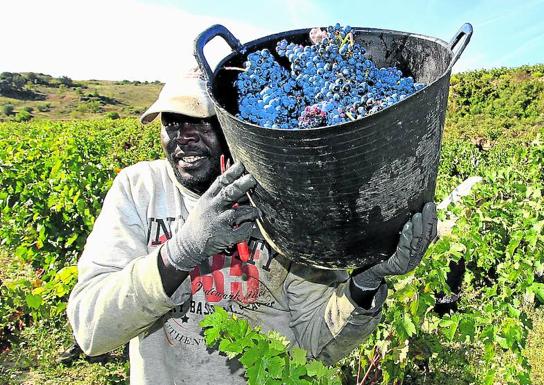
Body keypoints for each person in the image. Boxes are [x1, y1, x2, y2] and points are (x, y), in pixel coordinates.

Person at [66, 68, 439, 384]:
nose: (185, 135)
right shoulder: (139, 189)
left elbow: (316, 341)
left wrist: (366, 281)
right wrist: (182, 251)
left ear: (236, 128)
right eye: (173, 122)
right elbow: (91, 329)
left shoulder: (285, 199)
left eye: (202, 121)